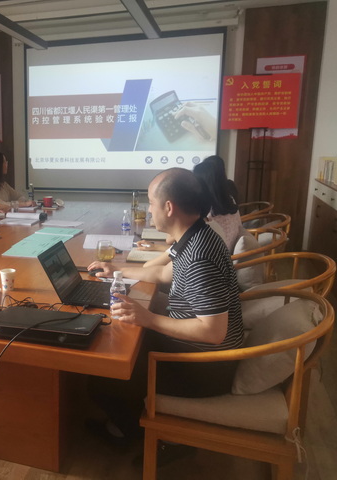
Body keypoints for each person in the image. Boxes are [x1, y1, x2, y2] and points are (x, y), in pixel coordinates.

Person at [86, 168, 243, 456]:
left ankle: (138, 433)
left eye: (151, 202)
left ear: (168, 207)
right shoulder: (196, 235)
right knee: (115, 341)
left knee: (101, 370)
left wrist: (148, 318)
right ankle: (135, 422)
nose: (149, 210)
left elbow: (213, 332)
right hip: (194, 352)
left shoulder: (200, 257)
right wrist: (116, 269)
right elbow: (163, 273)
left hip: (204, 368)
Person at [193, 155, 242, 252]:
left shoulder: (205, 209)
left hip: (211, 254)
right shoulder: (230, 199)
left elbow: (173, 239)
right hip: (226, 251)